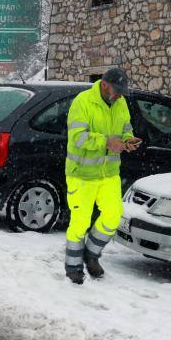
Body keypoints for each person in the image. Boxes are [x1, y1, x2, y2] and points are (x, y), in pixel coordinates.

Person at [65, 68, 142, 284]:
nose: (118, 95)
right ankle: (73, 266)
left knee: (113, 215)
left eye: (121, 92)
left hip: (109, 172)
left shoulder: (120, 103)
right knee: (80, 221)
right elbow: (78, 138)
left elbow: (125, 128)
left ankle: (91, 254)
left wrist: (128, 141)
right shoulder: (82, 102)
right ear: (104, 84)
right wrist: (107, 142)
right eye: (116, 91)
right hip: (82, 173)